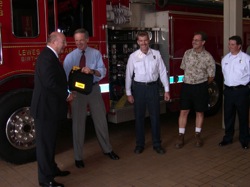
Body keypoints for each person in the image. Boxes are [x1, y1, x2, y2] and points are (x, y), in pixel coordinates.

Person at [63, 28, 119, 169]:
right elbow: (64, 78)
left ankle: (108, 150)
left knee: (101, 121)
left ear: (87, 40)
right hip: (77, 93)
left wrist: (92, 71)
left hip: (93, 89)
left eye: (81, 40)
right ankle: (78, 157)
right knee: (78, 124)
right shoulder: (70, 57)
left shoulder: (95, 54)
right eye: (76, 41)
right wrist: (68, 93)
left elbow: (103, 71)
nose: (79, 43)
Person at [31, 32, 73, 187]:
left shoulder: (50, 56)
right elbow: (50, 83)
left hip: (51, 109)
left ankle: (52, 169)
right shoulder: (47, 57)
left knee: (51, 143)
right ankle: (45, 180)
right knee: (45, 146)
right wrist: (66, 95)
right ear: (55, 42)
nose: (65, 45)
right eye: (63, 42)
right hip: (45, 110)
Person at [125, 31, 170, 155]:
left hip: (152, 88)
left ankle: (157, 144)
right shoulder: (133, 57)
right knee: (139, 118)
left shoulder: (156, 54)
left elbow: (162, 71)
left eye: (145, 40)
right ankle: (140, 145)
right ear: (138, 42)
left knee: (155, 117)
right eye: (141, 40)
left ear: (148, 40)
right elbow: (128, 75)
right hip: (139, 89)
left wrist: (167, 90)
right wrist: (129, 93)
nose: (143, 43)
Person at [175, 31, 215, 149]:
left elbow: (211, 76)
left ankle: (198, 135)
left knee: (199, 111)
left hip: (200, 87)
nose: (194, 42)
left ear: (203, 42)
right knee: (183, 111)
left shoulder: (208, 57)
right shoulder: (187, 53)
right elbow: (183, 68)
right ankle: (181, 135)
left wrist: (201, 83)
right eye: (193, 39)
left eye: (197, 40)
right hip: (187, 86)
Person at [219, 35, 250, 149]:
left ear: (239, 46)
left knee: (243, 116)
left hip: (242, 92)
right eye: (229, 44)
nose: (230, 46)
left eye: (232, 44)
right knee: (228, 116)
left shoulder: (246, 58)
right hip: (229, 92)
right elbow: (224, 74)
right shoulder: (225, 59)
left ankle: (244, 140)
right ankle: (228, 138)